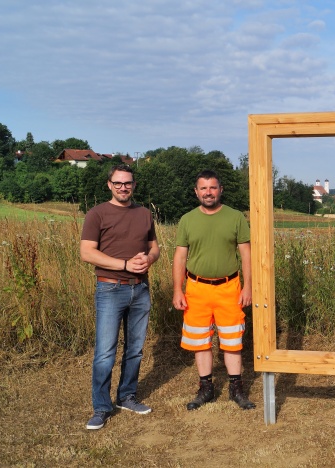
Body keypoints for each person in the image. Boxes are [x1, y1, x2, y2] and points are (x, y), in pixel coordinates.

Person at [80, 164, 160, 430]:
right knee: (105, 352)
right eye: (118, 183)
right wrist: (125, 265)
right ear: (109, 185)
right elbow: (87, 253)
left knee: (135, 350)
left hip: (141, 289)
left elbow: (154, 247)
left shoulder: (144, 214)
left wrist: (148, 259)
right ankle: (101, 407)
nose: (123, 187)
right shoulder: (97, 214)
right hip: (110, 289)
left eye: (127, 183)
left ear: (134, 185)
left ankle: (127, 396)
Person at [172, 169, 256, 411]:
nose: (208, 192)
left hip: (229, 287)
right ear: (196, 192)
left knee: (232, 341)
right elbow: (180, 256)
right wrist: (178, 290)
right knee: (200, 342)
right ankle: (206, 388)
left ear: (221, 190)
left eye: (213, 187)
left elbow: (246, 254)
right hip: (196, 289)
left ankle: (236, 388)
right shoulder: (187, 219)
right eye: (203, 188)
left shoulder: (235, 217)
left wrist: (248, 287)